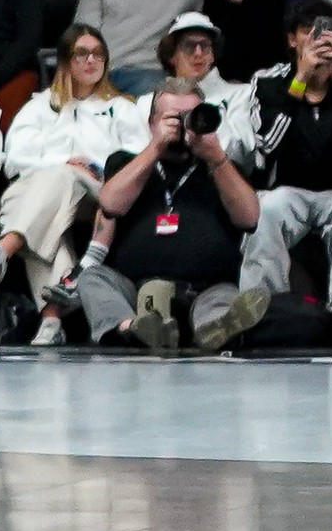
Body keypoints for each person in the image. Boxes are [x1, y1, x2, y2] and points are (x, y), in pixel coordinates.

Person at [0, 22, 138, 339]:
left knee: (50, 187)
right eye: (81, 54)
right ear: (65, 61)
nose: (90, 61)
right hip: (41, 192)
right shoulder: (39, 106)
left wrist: (94, 167)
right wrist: (62, 162)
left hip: (98, 194)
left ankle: (4, 249)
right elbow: (14, 159)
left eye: (98, 54)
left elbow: (135, 159)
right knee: (35, 203)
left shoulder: (122, 107)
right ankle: (51, 319)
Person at [78, 81, 268, 352]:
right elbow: (110, 204)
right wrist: (155, 148)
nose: (182, 126)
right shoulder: (125, 162)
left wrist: (216, 158)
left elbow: (249, 218)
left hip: (207, 288)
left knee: (221, 302)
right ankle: (133, 328)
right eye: (173, 118)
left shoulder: (224, 167)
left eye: (190, 117)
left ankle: (215, 330)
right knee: (93, 278)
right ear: (152, 122)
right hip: (134, 287)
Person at [238, 1, 332, 338]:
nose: (319, 40)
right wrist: (302, 80)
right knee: (267, 209)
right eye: (309, 32)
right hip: (289, 189)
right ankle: (262, 309)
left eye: (327, 31)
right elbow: (270, 146)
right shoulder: (268, 81)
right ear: (292, 40)